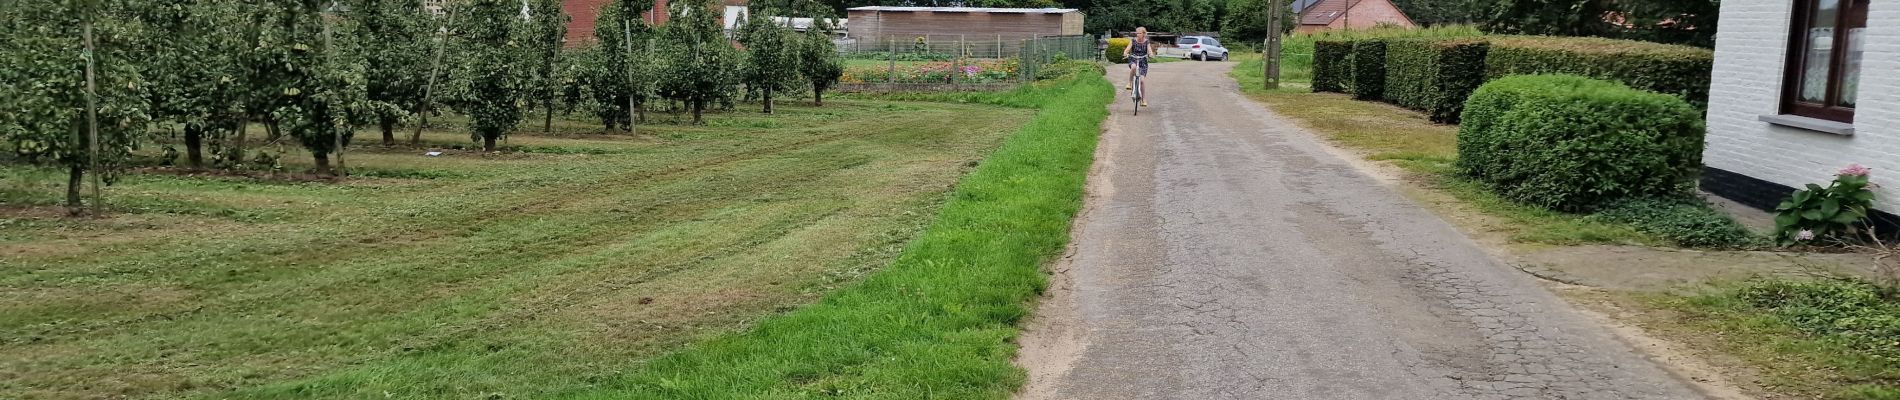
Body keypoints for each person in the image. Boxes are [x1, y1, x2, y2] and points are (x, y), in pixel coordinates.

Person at [1123, 27, 1156, 107]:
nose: (1137, 35)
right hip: (1133, 59)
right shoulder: (1133, 41)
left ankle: (1143, 99)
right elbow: (1127, 49)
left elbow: (1149, 50)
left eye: (1139, 33)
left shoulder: (1146, 42)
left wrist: (1151, 54)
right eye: (1137, 33)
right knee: (1133, 67)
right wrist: (1125, 53)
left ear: (1144, 34)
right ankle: (1129, 83)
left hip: (1143, 62)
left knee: (1142, 81)